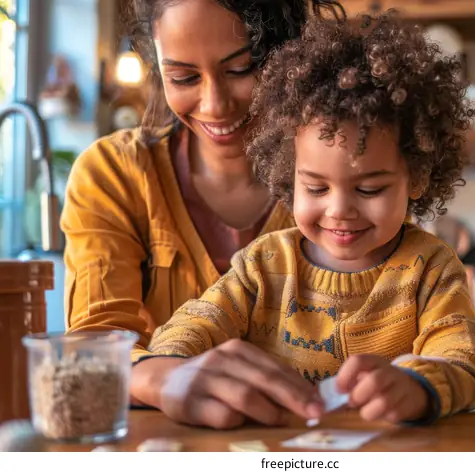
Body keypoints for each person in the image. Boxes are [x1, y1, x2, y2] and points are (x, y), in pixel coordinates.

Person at [139, 12, 475, 430]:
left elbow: (460, 359)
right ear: (289, 175)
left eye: (369, 189)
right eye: (317, 189)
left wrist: (418, 385)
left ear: (416, 177)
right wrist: (174, 364)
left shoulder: (430, 268)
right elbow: (198, 321)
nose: (339, 210)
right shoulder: (264, 264)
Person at [60, 0, 345, 428]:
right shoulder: (114, 174)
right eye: (184, 77)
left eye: (240, 69)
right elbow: (92, 346)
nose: (214, 105)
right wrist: (162, 379)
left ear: (290, 54)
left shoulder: (346, 176)